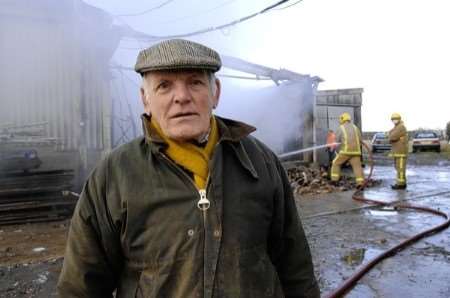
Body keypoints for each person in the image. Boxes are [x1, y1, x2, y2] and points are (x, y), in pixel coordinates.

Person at [57, 39, 320, 298]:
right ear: (145, 99)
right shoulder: (114, 175)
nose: (181, 97)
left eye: (195, 82)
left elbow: (295, 268)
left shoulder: (261, 162)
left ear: (215, 92)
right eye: (164, 86)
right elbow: (80, 287)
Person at [330, 112, 364, 188]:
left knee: (335, 163)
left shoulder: (341, 128)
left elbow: (336, 140)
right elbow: (360, 140)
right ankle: (360, 183)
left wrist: (337, 150)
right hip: (356, 152)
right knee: (357, 167)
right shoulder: (355, 127)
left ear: (342, 119)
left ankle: (334, 180)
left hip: (345, 151)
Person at [388, 113, 408, 189]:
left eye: (395, 119)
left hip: (401, 152)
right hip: (398, 152)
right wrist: (390, 135)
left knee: (400, 168)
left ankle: (401, 184)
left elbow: (392, 137)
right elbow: (391, 135)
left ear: (399, 119)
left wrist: (389, 135)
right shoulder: (396, 127)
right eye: (393, 119)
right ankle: (400, 183)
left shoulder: (401, 127)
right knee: (398, 168)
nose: (394, 120)